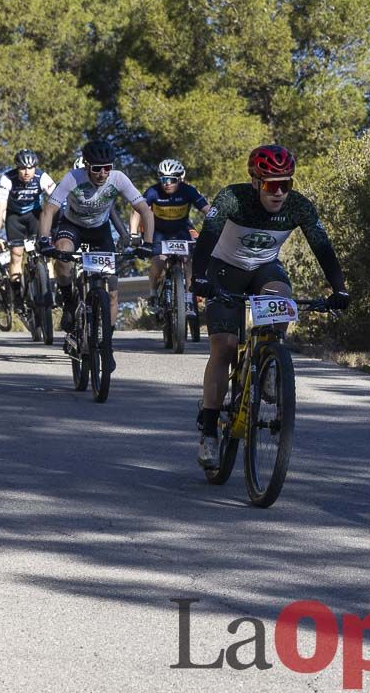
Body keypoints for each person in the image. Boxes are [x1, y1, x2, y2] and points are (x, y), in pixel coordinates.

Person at [189, 144, 350, 467]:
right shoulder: (233, 199)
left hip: (264, 268)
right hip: (224, 269)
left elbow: (322, 246)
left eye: (285, 184)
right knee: (225, 347)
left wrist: (340, 288)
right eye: (270, 185)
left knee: (280, 298)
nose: (278, 193)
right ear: (255, 182)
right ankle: (209, 428)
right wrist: (199, 277)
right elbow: (208, 236)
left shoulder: (299, 207)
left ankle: (268, 362)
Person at [38, 139, 155, 370]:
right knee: (62, 253)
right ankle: (70, 302)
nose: (102, 174)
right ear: (86, 166)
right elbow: (49, 210)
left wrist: (149, 243)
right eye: (96, 169)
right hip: (72, 227)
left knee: (111, 291)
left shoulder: (118, 178)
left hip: (100, 231)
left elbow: (144, 210)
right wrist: (43, 239)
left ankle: (107, 346)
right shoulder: (73, 178)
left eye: (107, 168)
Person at [128, 158, 211, 312]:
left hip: (181, 231)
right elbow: (137, 211)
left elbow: (207, 209)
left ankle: (188, 300)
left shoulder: (188, 191)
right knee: (158, 262)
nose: (167, 183)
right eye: (163, 179)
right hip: (159, 233)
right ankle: (153, 295)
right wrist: (133, 233)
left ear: (179, 179)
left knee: (187, 261)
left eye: (171, 179)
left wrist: (217, 225)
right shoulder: (153, 192)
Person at [0, 149, 57, 302]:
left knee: (45, 254)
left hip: (34, 215)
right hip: (14, 217)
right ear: (17, 167)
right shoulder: (7, 179)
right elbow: (0, 210)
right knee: (16, 256)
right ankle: (18, 297)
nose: (27, 172)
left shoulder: (42, 177)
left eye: (30, 168)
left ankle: (51, 292)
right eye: (22, 168)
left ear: (35, 167)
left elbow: (57, 199)